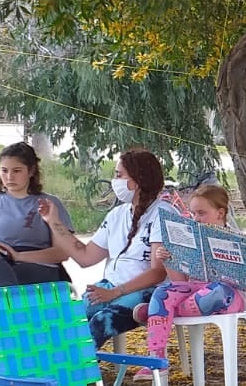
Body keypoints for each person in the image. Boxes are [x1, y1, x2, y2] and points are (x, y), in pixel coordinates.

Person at [45, 148, 176, 346]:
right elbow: (85, 257)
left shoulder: (163, 213)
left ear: (137, 180)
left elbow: (157, 272)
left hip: (150, 293)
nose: (114, 181)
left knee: (100, 322)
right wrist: (53, 221)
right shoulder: (116, 215)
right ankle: (54, 369)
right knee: (67, 318)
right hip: (111, 287)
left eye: (118, 175)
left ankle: (80, 374)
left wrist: (116, 292)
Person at [130, 183, 246, 377]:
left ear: (220, 213)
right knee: (163, 292)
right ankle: (156, 360)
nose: (196, 219)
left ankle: (159, 315)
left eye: (201, 213)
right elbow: (180, 281)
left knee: (217, 291)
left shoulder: (238, 239)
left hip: (227, 296)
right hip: (193, 291)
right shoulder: (190, 238)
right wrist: (168, 260)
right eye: (193, 214)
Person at [0, 141, 74, 296]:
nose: (9, 177)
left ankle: (10, 300)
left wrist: (17, 256)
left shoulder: (49, 204)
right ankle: (13, 300)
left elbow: (63, 253)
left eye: (17, 171)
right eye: (4, 171)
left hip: (36, 264)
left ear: (31, 171)